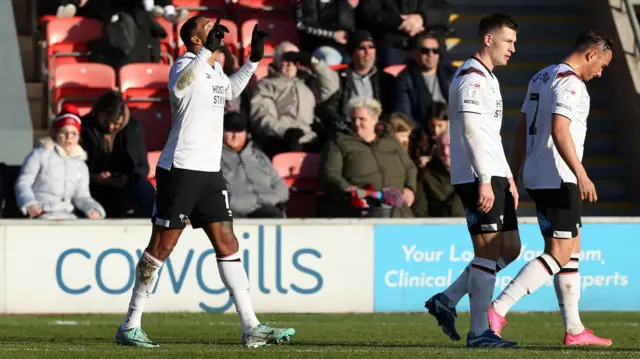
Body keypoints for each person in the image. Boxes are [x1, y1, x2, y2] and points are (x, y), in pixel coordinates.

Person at [114, 16, 295, 349]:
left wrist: (253, 60)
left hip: (210, 172)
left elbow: (231, 90)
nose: (216, 29)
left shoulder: (212, 70)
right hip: (181, 169)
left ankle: (251, 327)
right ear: (195, 40)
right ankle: (130, 324)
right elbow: (180, 88)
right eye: (207, 27)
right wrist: (205, 54)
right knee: (161, 248)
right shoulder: (184, 64)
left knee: (227, 244)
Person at [488, 30, 614, 346]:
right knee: (558, 254)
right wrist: (582, 174)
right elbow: (560, 130)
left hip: (539, 173)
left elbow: (520, 130)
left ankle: (574, 330)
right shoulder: (571, 82)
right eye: (602, 65)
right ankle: (497, 308)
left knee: (571, 250)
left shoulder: (541, 76)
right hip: (559, 177)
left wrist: (515, 173)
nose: (600, 73)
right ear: (590, 54)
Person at [423, 14, 521, 348]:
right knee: (487, 251)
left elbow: (491, 135)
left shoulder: (489, 78)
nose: (513, 49)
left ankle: (447, 299)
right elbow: (469, 132)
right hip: (477, 175)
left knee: (510, 249)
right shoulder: (470, 78)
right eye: (508, 41)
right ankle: (479, 332)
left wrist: (507, 175)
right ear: (488, 39)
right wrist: (483, 178)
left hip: (494, 173)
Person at [321, 97, 417, 218]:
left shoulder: (390, 141)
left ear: (374, 119)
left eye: (362, 119)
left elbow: (410, 168)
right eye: (353, 119)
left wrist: (409, 188)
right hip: (363, 208)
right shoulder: (339, 142)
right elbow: (331, 173)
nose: (356, 123)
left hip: (398, 208)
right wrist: (348, 189)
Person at [14, 105, 105, 220]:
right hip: (42, 214)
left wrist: (93, 209)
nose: (69, 138)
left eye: (74, 133)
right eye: (64, 132)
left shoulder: (81, 165)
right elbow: (23, 183)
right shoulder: (39, 155)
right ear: (56, 133)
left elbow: (82, 196)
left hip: (69, 217)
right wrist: (29, 203)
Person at [82, 90, 155, 218]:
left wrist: (125, 179)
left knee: (145, 190)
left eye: (116, 123)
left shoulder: (134, 128)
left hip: (125, 183)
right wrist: (93, 177)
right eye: (106, 122)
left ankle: (143, 230)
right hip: (91, 184)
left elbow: (142, 167)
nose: (110, 127)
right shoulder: (85, 127)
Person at [221, 113, 289, 218]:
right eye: (230, 131)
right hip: (233, 213)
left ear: (246, 133)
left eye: (239, 131)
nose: (235, 136)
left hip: (266, 208)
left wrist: (270, 198)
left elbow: (281, 186)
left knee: (274, 214)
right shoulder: (213, 158)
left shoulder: (258, 155)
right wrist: (239, 203)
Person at [412, 131, 464, 218]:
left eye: (450, 145)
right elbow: (419, 211)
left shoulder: (476, 174)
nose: (446, 152)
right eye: (441, 146)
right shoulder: (427, 175)